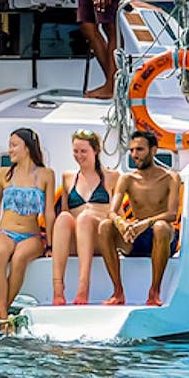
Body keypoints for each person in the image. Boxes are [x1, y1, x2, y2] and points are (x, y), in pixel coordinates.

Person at [0, 127, 55, 334]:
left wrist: (51, 243)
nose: (10, 149)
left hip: (31, 234)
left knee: (20, 257)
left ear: (27, 148)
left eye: (14, 145)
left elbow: (49, 213)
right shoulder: (3, 174)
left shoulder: (46, 174)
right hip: (5, 231)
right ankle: (4, 317)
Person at [97, 131, 181, 306]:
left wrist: (146, 222)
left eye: (140, 150)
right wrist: (122, 223)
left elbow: (172, 214)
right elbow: (111, 212)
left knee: (160, 227)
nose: (134, 155)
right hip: (136, 236)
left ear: (153, 150)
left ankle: (154, 291)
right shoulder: (127, 178)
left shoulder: (170, 177)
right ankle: (118, 292)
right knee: (105, 226)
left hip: (162, 237)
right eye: (132, 150)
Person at [50, 129, 120, 305]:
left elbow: (118, 213)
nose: (79, 155)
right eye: (75, 151)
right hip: (76, 241)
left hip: (101, 239)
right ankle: (58, 289)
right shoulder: (68, 177)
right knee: (64, 217)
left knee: (85, 218)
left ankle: (83, 287)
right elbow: (64, 210)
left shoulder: (112, 177)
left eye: (83, 151)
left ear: (95, 151)